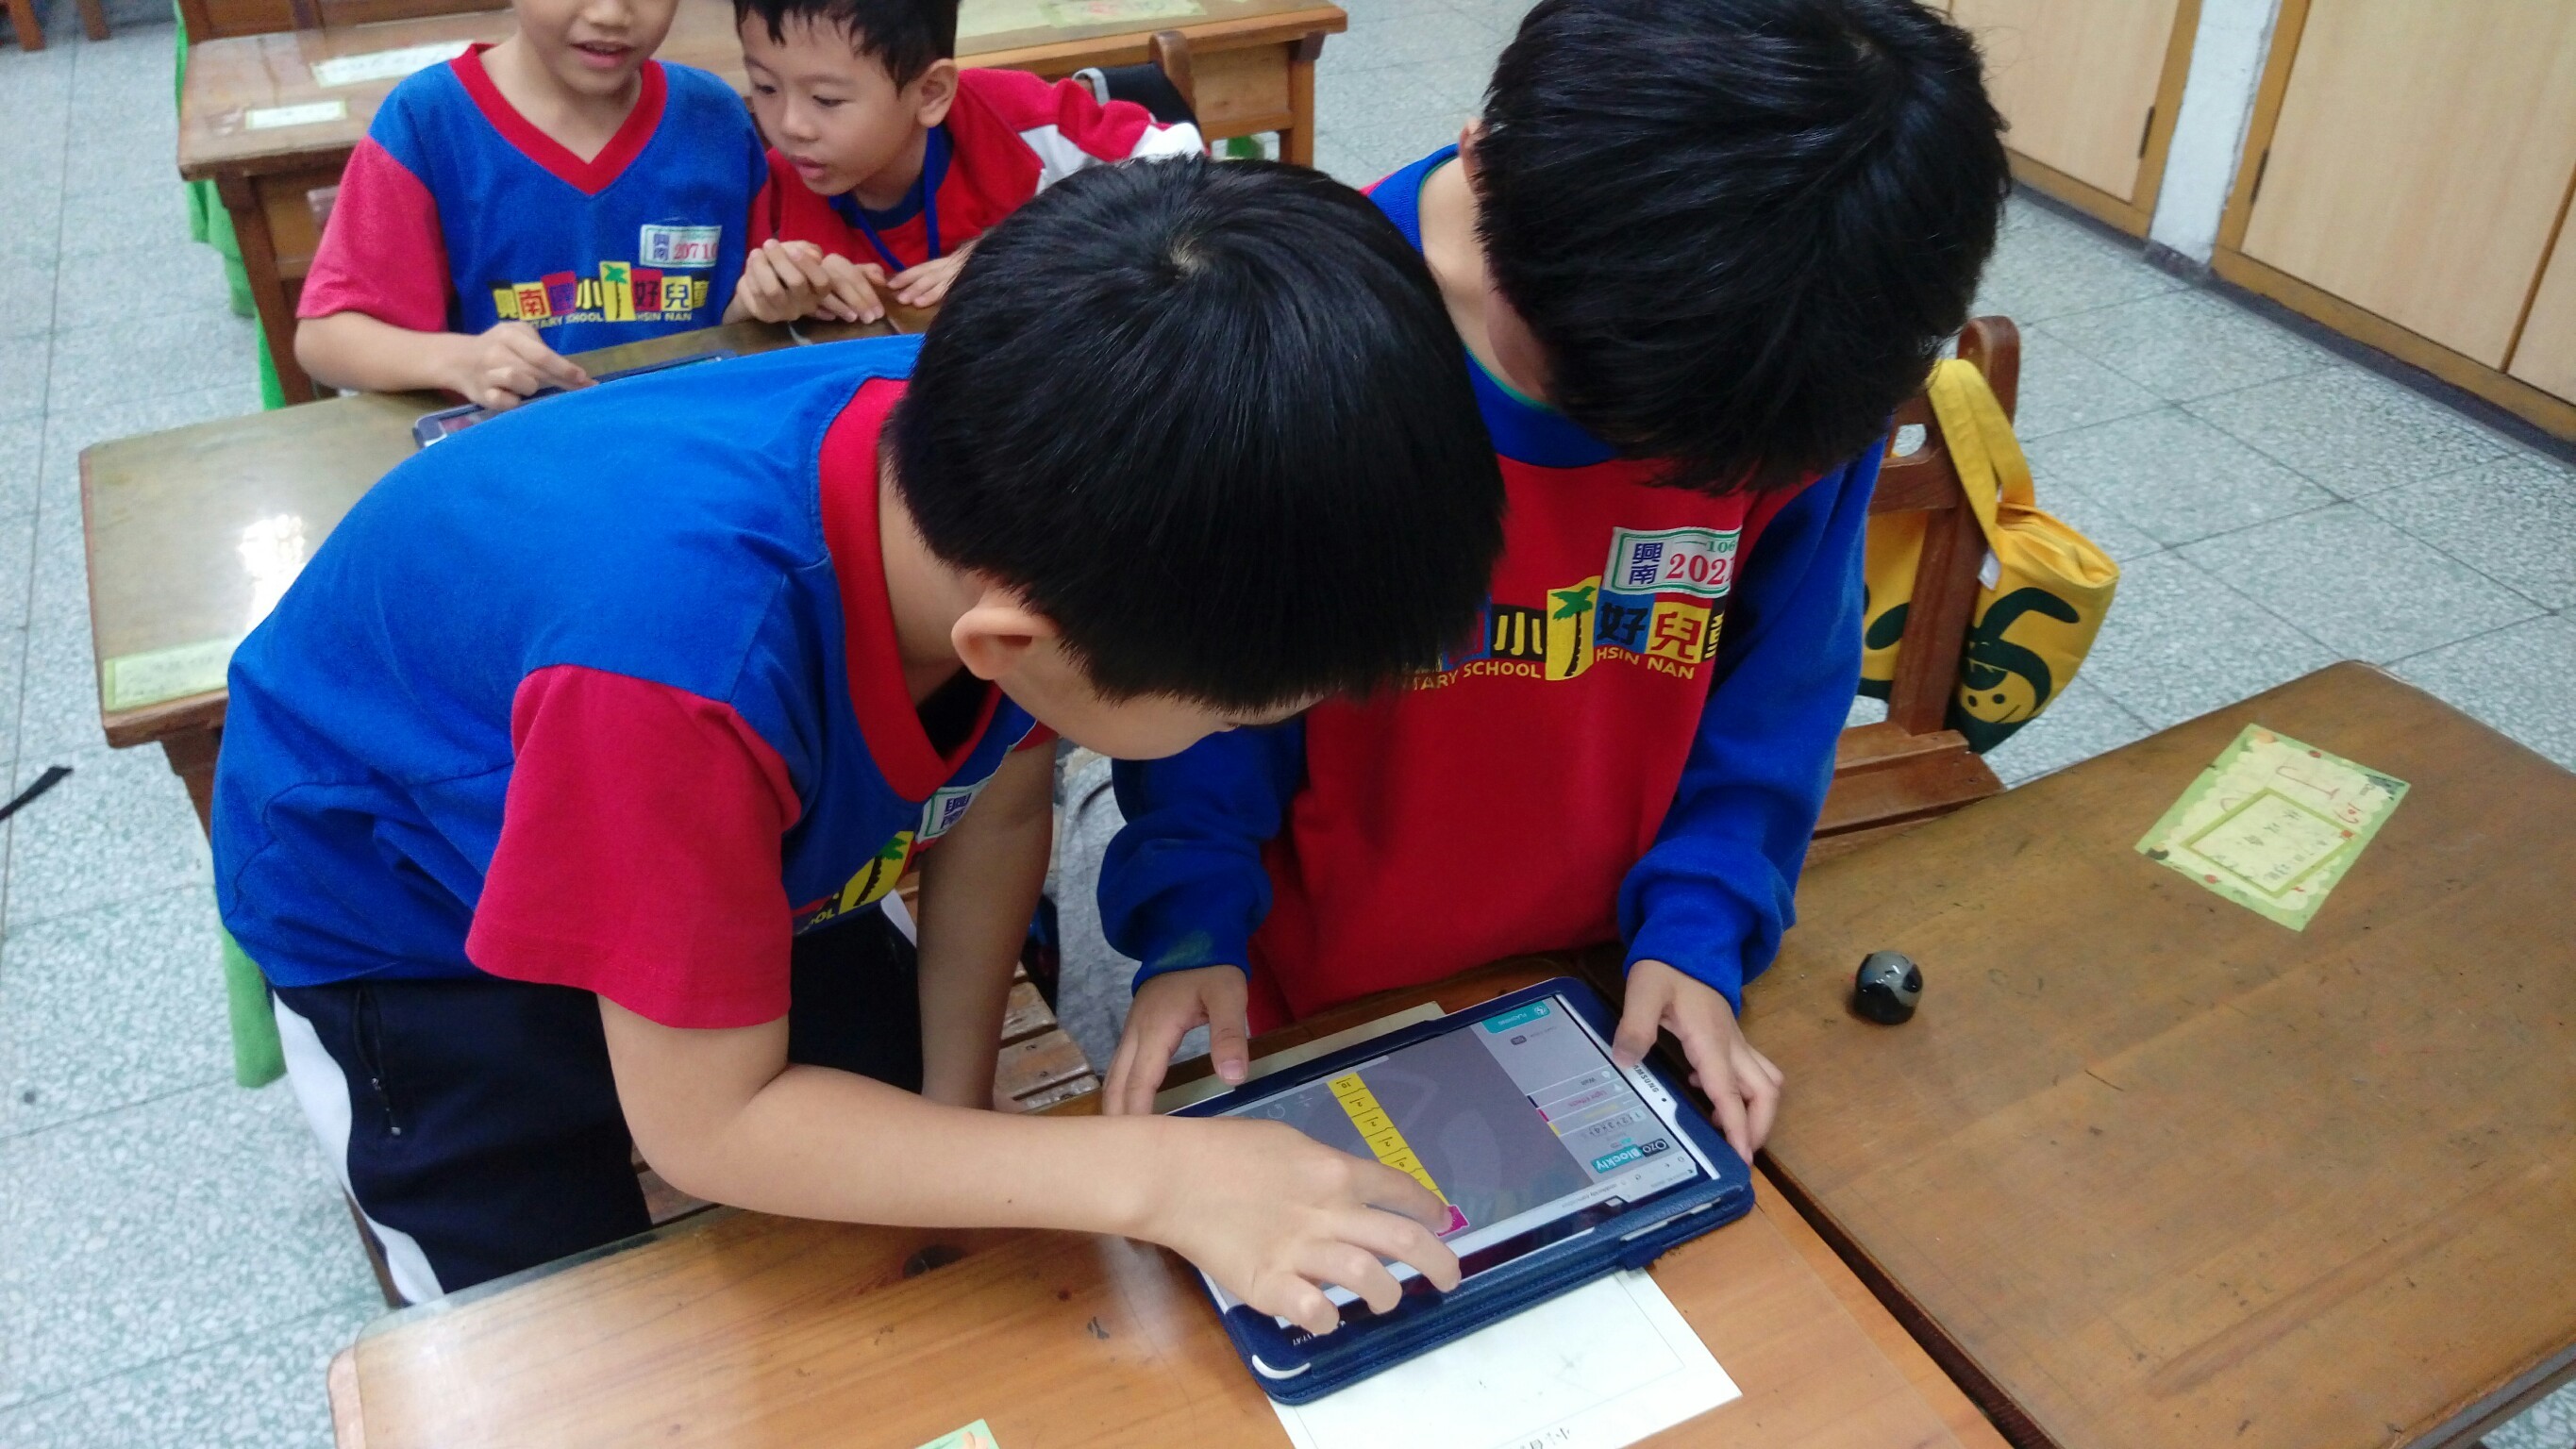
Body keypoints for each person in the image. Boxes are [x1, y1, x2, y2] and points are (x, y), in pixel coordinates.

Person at [215, 158, 1504, 1333]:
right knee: (545, 1326)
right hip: (414, 921)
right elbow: (712, 1127)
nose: (1242, 731)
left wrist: (960, 1117)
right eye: (1230, 715)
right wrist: (1159, 1174)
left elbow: (996, 801)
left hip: (716, 811)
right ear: (1012, 643)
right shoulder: (679, 677)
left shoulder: (1020, 483)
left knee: (901, 1165)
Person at [1098, 0, 2011, 1160]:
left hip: (1610, 972)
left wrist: (1701, 922)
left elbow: (1782, 684)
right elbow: (1207, 693)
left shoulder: (1788, 369)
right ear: (1483, 166)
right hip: (1312, 978)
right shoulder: (1301, 341)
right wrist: (1195, 917)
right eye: (1590, 397)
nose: (1627, 453)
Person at [293, 0, 767, 410]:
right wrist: (459, 360)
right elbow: (324, 339)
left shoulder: (716, 118)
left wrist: (773, 297)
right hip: (514, 452)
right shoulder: (429, 120)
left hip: (691, 440)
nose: (610, 14)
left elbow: (756, 320)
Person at [726, 0, 1203, 325]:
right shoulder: (772, 186)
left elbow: (1187, 168)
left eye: (826, 100)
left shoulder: (1018, 121)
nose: (790, 126)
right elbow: (724, 334)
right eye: (765, 88)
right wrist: (762, 304)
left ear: (930, 93)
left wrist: (1017, 249)